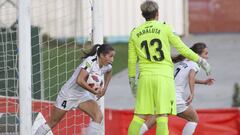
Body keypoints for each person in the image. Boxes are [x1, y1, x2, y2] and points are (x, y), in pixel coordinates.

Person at [127, 1, 211, 135]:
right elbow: (182, 48)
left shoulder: (135, 32)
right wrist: (200, 60)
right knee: (162, 117)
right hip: (163, 78)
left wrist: (132, 81)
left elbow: (131, 61)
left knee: (139, 116)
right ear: (157, 14)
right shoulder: (165, 28)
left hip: (145, 77)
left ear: (143, 14)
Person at [34, 44, 115, 135]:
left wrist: (104, 88)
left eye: (113, 56)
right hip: (68, 94)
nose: (112, 59)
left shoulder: (106, 65)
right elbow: (79, 80)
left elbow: (109, 71)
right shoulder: (90, 62)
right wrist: (94, 91)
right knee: (52, 122)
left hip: (82, 95)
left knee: (98, 116)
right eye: (110, 56)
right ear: (102, 55)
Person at [137, 43, 215, 135]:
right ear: (198, 55)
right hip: (174, 96)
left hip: (165, 92)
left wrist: (203, 82)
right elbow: (191, 76)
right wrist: (192, 93)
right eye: (205, 53)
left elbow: (187, 78)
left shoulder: (185, 61)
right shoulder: (195, 64)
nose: (207, 56)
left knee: (156, 117)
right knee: (194, 119)